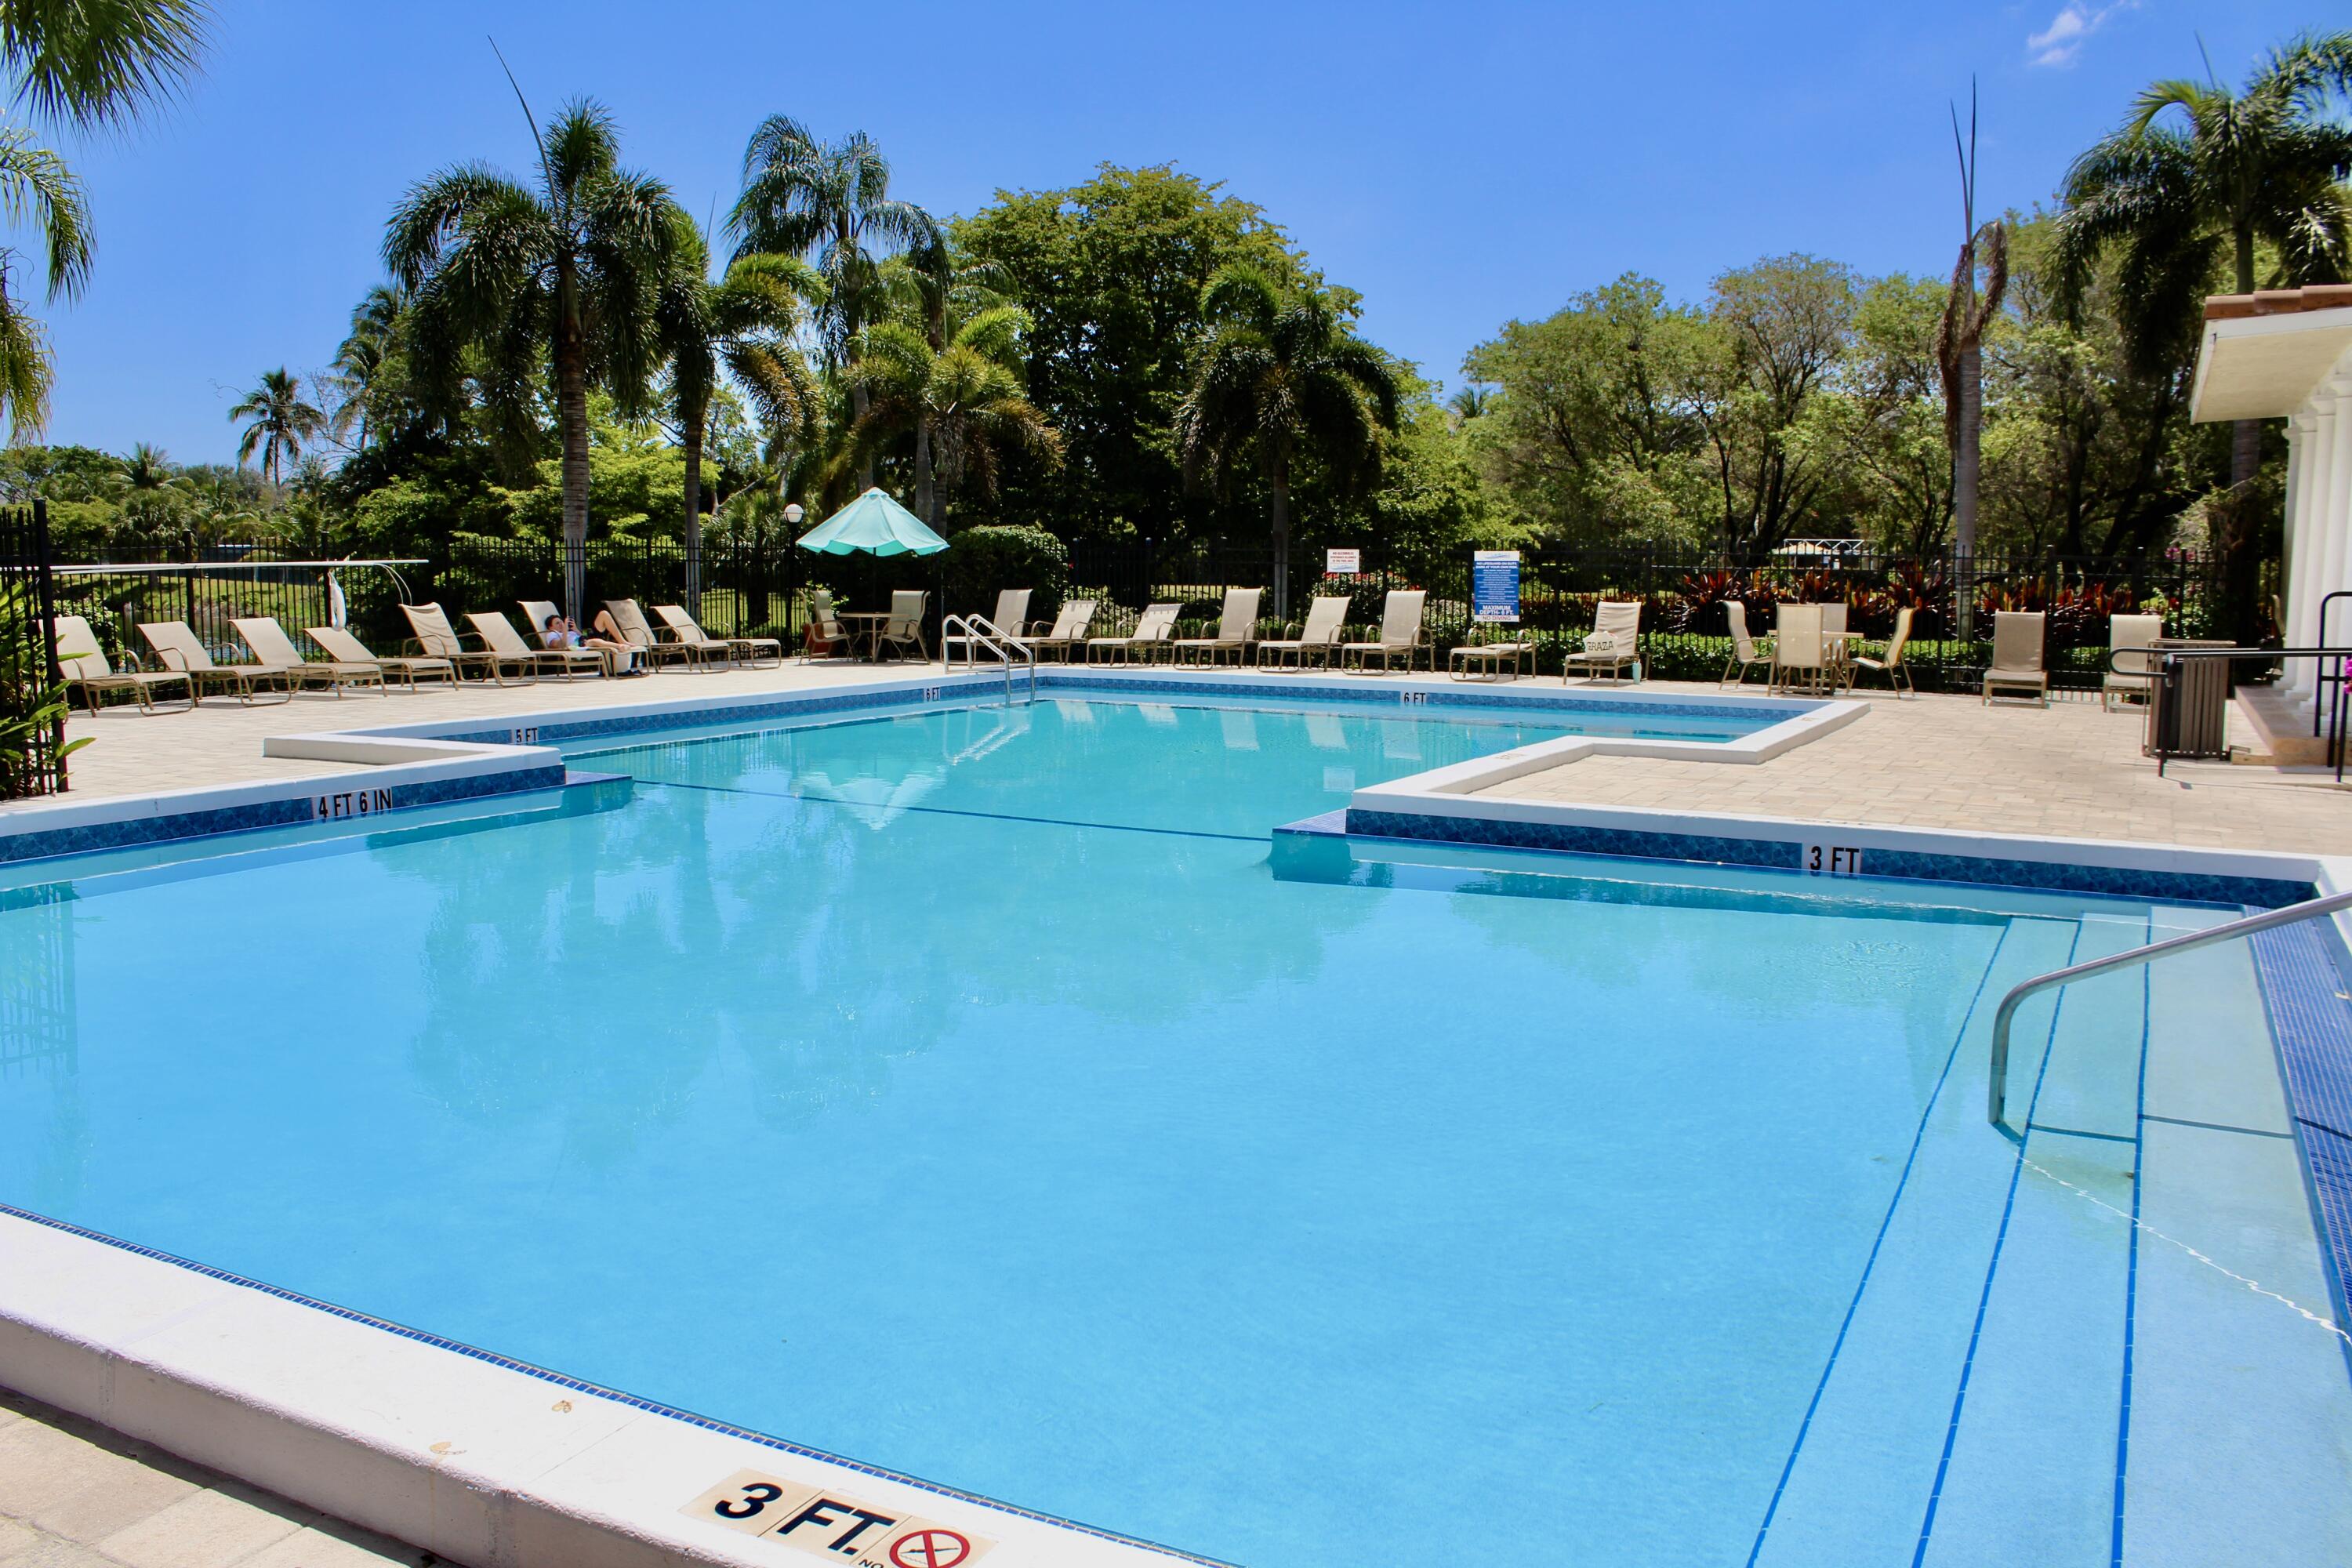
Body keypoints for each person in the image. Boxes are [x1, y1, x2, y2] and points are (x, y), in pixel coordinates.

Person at [543, 612, 641, 676]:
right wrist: (565, 630)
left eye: (561, 622)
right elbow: (561, 645)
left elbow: (581, 636)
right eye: (557, 623)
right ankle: (620, 646)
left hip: (584, 639)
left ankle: (622, 641)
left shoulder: (568, 631)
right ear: (550, 627)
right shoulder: (551, 634)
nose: (561, 624)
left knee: (604, 614)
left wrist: (576, 630)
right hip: (579, 645)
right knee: (593, 641)